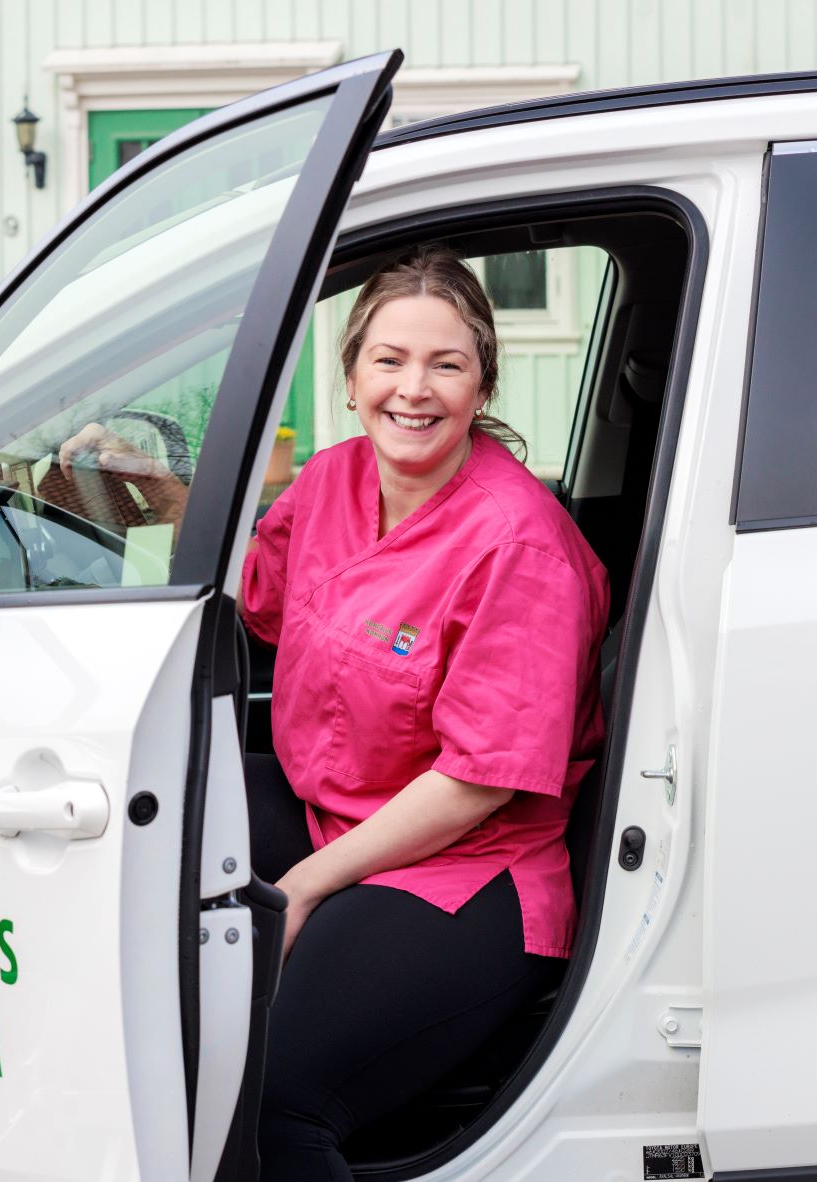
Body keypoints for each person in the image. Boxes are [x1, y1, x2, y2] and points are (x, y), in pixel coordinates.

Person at [238, 245, 609, 1178]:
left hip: (464, 866)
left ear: (482, 385)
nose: (414, 389)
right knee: (143, 819)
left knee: (273, 1104)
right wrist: (146, 495)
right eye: (389, 360)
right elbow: (260, 607)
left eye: (445, 364)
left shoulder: (519, 545)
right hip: (334, 809)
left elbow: (478, 782)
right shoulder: (328, 480)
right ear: (351, 376)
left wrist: (304, 886)